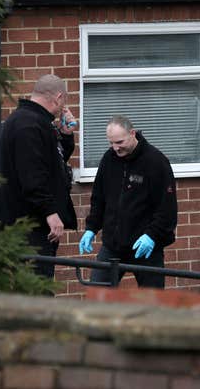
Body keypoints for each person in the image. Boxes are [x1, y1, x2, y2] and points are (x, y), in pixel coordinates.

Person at [0, 74, 78, 278]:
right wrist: (50, 212)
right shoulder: (29, 125)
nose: (62, 108)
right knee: (37, 291)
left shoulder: (34, 121)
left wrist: (65, 136)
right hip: (29, 228)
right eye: (63, 102)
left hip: (30, 225)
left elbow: (50, 163)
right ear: (58, 97)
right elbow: (32, 176)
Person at [78, 115, 177, 288]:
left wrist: (152, 236)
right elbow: (99, 197)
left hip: (144, 246)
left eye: (120, 142)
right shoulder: (109, 159)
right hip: (113, 245)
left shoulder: (155, 161)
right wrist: (91, 228)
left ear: (132, 134)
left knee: (151, 302)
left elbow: (167, 208)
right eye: (111, 143)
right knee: (97, 295)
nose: (115, 148)